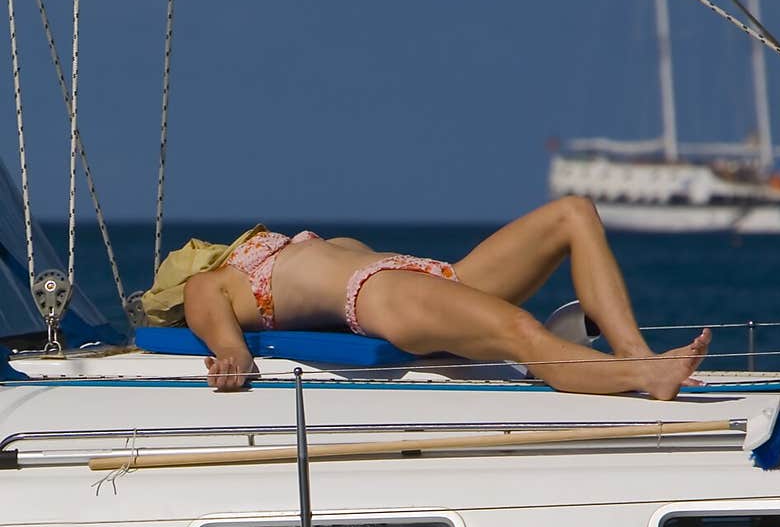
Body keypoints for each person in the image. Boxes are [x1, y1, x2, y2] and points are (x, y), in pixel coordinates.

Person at [143, 198, 710, 395]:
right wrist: (231, 355)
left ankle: (634, 349)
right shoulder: (213, 283)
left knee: (573, 214)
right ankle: (640, 375)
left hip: (429, 277)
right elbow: (211, 318)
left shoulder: (287, 251)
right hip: (381, 296)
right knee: (521, 334)